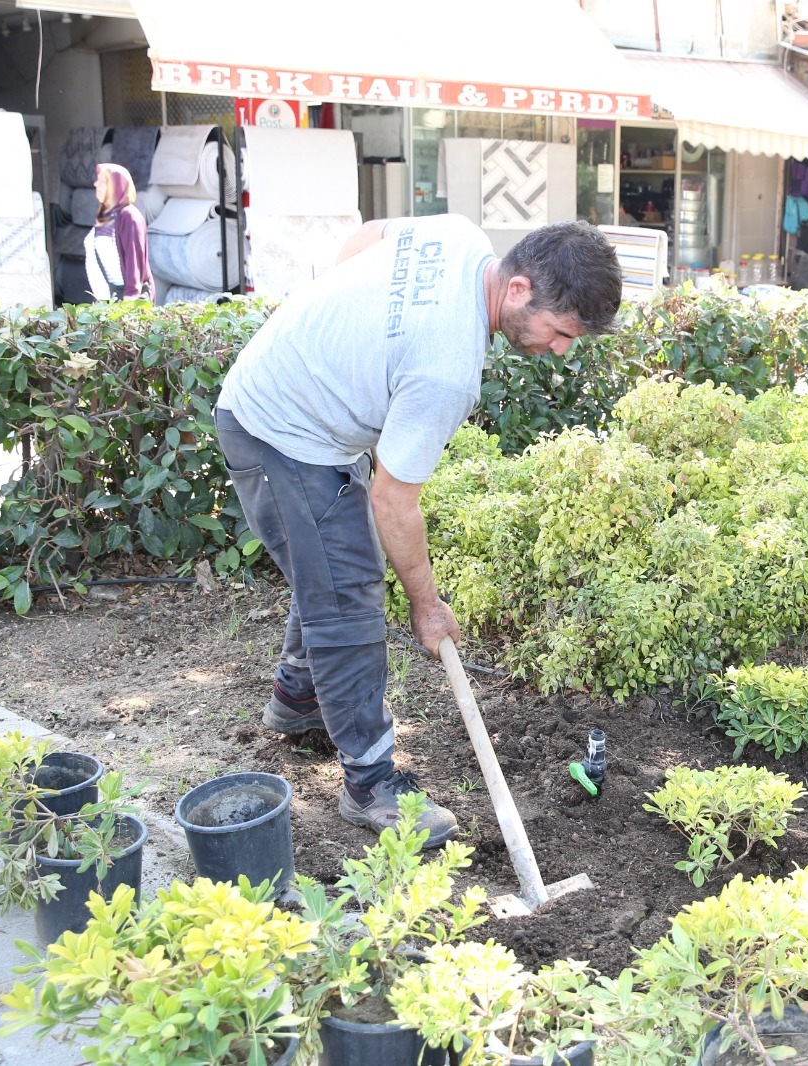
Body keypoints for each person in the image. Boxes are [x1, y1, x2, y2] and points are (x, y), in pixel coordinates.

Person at [214, 216, 623, 845]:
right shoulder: (445, 369)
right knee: (349, 596)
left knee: (329, 563)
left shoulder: (460, 237)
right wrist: (428, 608)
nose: (561, 350)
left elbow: (363, 240)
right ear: (517, 289)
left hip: (292, 405)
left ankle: (299, 700)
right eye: (561, 331)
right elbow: (394, 500)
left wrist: (344, 340)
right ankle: (370, 784)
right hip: (281, 431)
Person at [84, 163, 152, 301]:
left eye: (102, 181)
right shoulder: (105, 217)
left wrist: (131, 297)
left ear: (115, 186)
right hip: (110, 298)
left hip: (126, 300)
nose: (96, 184)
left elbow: (133, 258)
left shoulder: (128, 216)